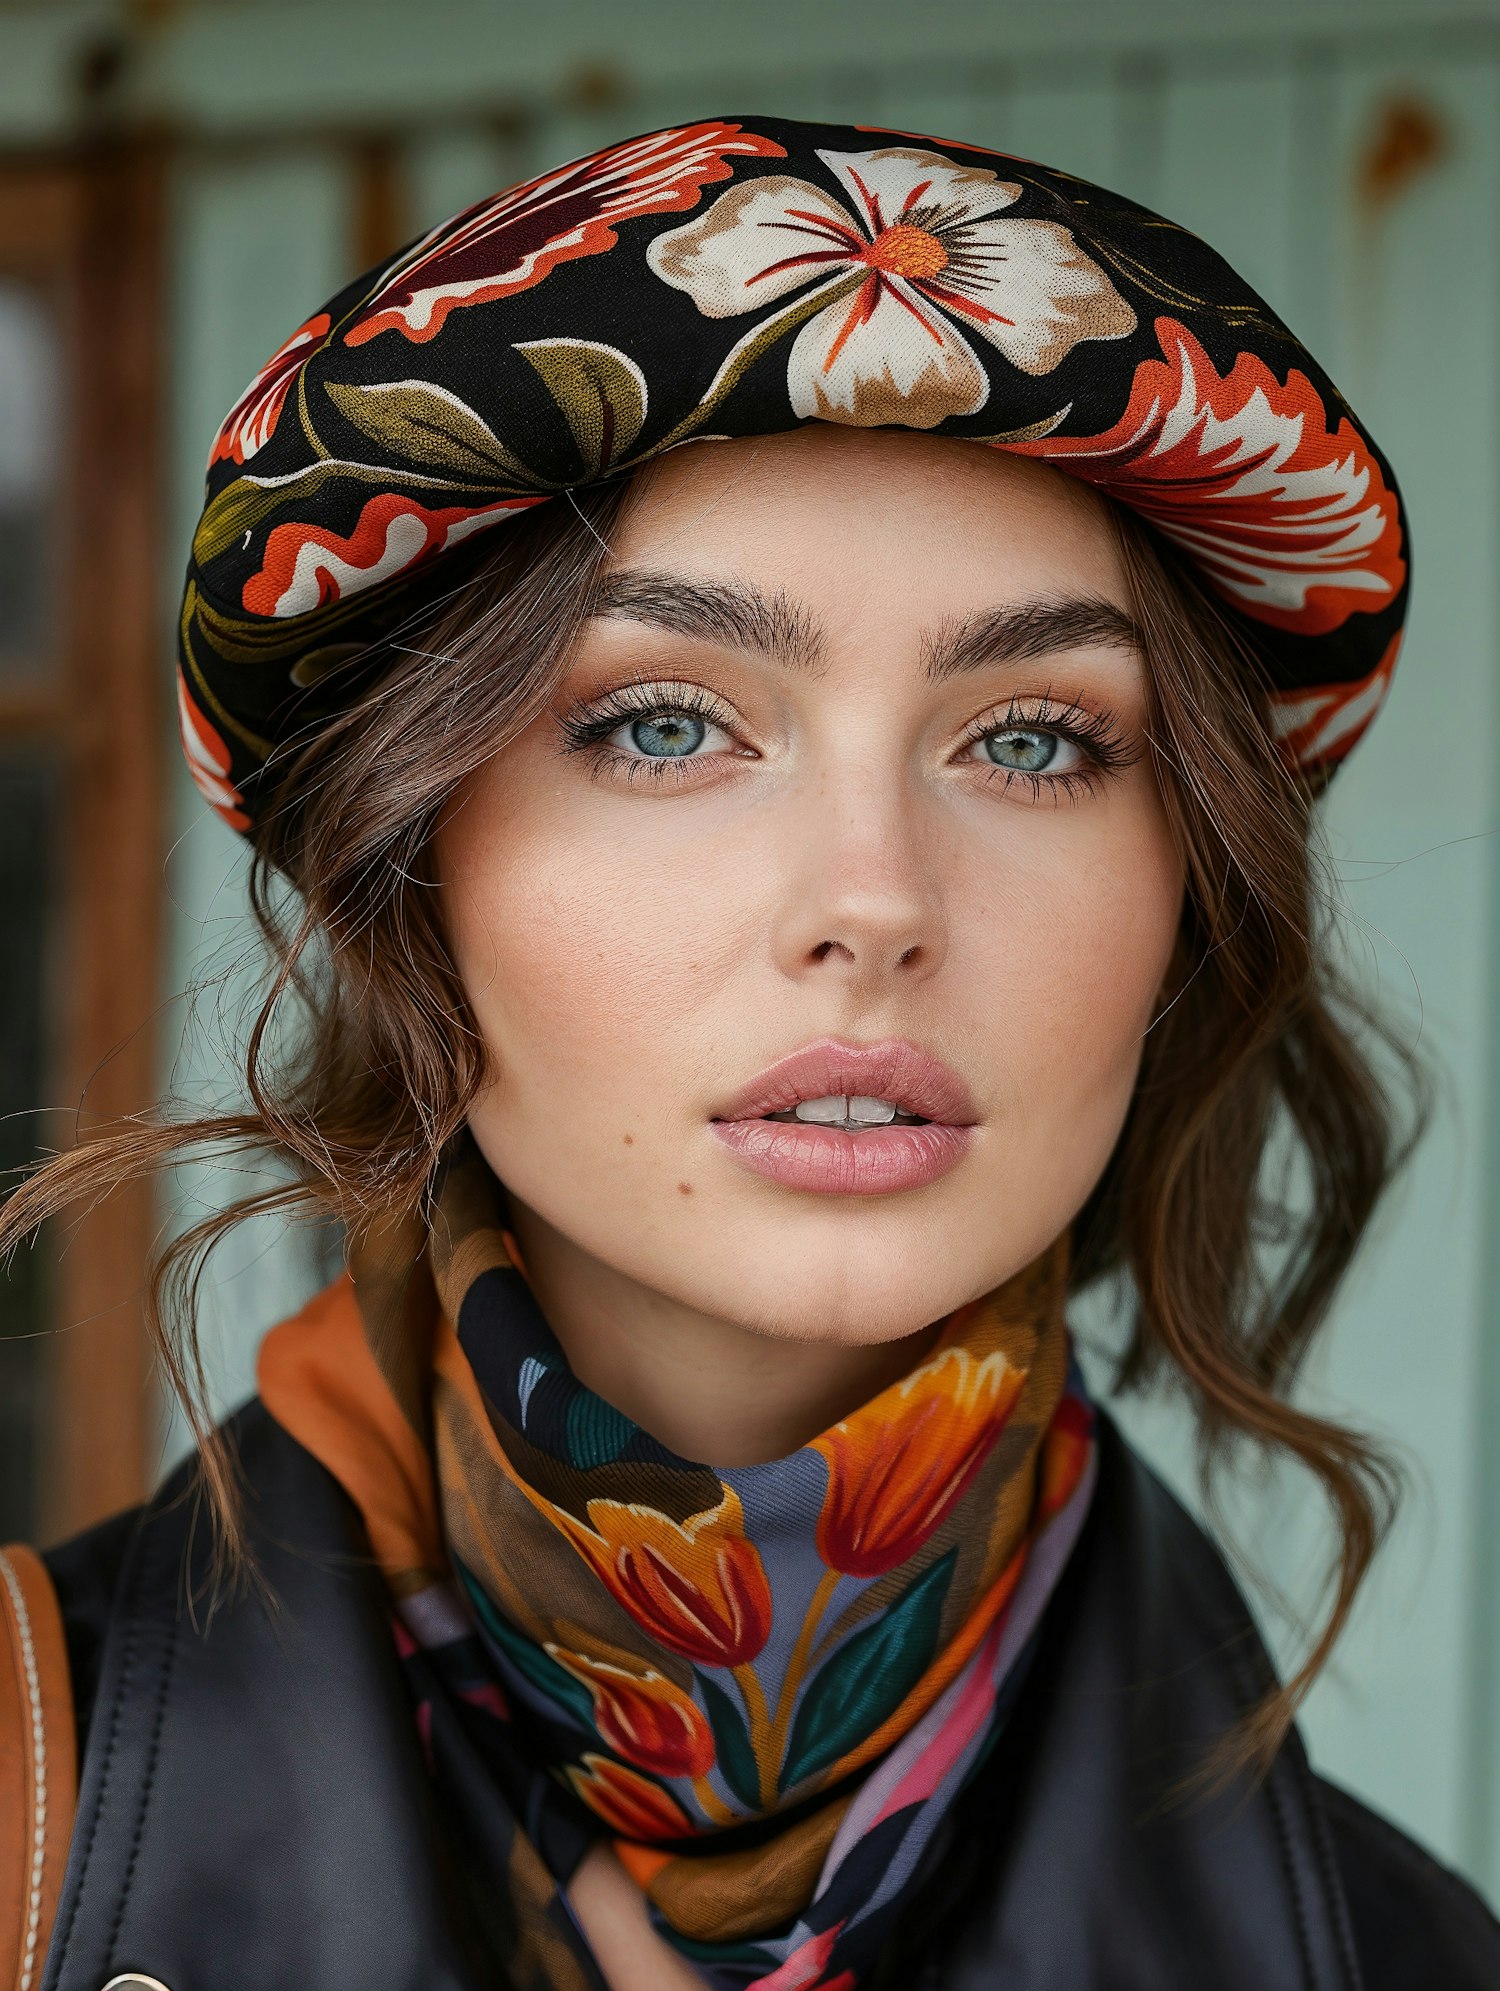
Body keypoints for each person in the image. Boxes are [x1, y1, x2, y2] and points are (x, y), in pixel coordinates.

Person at [2, 114, 1497, 1991]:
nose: (872, 902)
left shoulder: (1406, 1957)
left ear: (1186, 895)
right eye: (661, 726)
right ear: (411, 869)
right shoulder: (26, 1829)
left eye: (1034, 740)